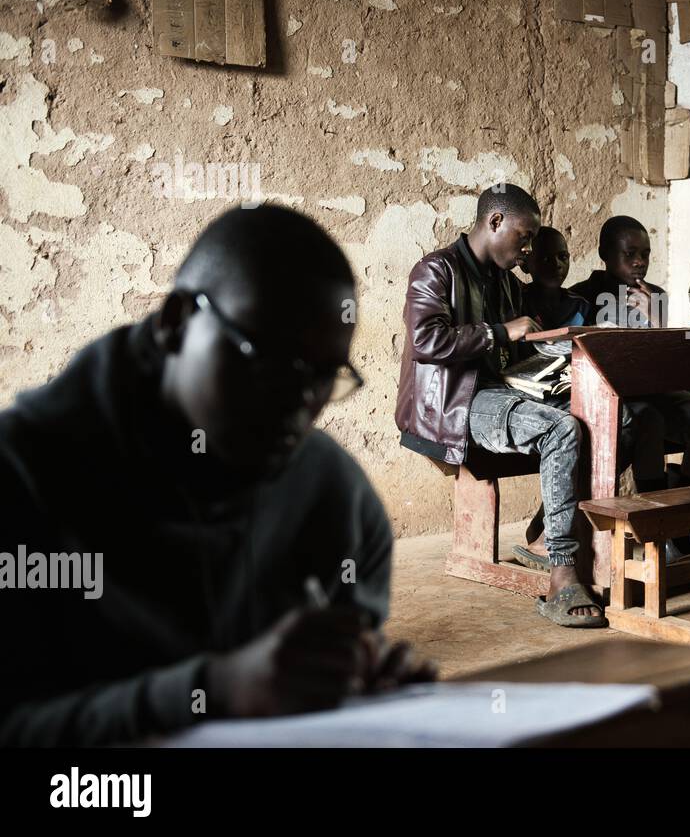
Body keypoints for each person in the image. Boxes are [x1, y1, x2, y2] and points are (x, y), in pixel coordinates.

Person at [0, 206, 433, 746]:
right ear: (176, 322)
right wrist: (211, 691)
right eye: (267, 358)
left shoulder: (338, 502)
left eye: (323, 376)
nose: (298, 401)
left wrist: (356, 686)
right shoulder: (22, 478)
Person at [396, 184, 606, 627]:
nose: (528, 249)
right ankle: (563, 572)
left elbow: (523, 346)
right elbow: (425, 340)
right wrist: (498, 332)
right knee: (561, 429)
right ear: (494, 222)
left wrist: (558, 366)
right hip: (457, 402)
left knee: (602, 410)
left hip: (506, 390)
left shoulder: (508, 282)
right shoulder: (437, 270)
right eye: (524, 237)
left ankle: (559, 533)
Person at [571, 216, 690, 560]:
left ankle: (680, 521)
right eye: (630, 254)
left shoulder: (654, 296)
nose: (639, 262)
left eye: (645, 253)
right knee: (648, 422)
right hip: (614, 396)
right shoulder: (583, 297)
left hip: (656, 390)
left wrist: (656, 322)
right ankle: (658, 527)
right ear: (605, 254)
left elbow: (667, 361)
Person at [521, 226, 591, 330]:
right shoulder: (518, 303)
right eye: (546, 259)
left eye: (563, 257)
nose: (557, 264)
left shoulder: (580, 306)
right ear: (524, 265)